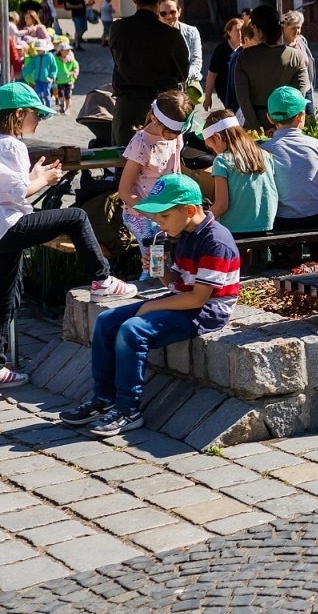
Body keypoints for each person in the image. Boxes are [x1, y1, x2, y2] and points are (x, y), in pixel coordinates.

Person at [0, 84, 138, 392]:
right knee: (76, 217)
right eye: (36, 115)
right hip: (6, 226)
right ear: (19, 114)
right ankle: (102, 280)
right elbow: (20, 193)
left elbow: (10, 188)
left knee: (8, 296)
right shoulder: (10, 144)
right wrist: (42, 179)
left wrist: (36, 175)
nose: (39, 121)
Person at [65, 174, 242, 438]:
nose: (158, 223)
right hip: (184, 301)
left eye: (164, 216)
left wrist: (150, 308)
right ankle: (103, 399)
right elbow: (176, 283)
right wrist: (159, 269)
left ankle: (128, 409)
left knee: (133, 330)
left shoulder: (215, 241)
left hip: (207, 311)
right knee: (107, 320)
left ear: (190, 210)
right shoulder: (184, 232)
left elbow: (198, 299)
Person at [109, 0, 191, 145]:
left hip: (127, 107)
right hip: (162, 109)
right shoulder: (171, 35)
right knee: (160, 165)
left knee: (124, 162)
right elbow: (184, 73)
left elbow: (116, 58)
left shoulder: (118, 28)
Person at [120, 89, 192, 275]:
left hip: (165, 212)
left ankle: (169, 289)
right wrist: (154, 216)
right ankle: (147, 291)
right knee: (155, 260)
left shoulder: (175, 136)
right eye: (170, 132)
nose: (175, 136)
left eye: (179, 131)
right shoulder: (141, 143)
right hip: (140, 213)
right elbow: (125, 191)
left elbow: (176, 173)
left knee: (169, 259)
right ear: (154, 119)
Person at [231, 4, 312, 131]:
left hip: (256, 123)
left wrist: (257, 129)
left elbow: (243, 99)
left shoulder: (245, 57)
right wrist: (282, 126)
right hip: (287, 124)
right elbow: (298, 97)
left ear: (258, 30)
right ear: (280, 29)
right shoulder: (296, 56)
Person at [259, 87, 318, 231]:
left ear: (270, 118)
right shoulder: (316, 145)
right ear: (301, 115)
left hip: (280, 218)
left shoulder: (264, 149)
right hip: (313, 215)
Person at [202, 109, 278, 235]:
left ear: (217, 137)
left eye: (211, 146)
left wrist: (199, 223)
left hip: (235, 228)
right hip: (266, 225)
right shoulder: (265, 155)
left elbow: (221, 206)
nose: (214, 152)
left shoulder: (221, 160)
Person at [158, 0, 203, 84]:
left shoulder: (192, 32)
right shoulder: (154, 35)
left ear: (179, 12)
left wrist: (182, 77)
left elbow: (196, 61)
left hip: (187, 83)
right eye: (163, 13)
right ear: (158, 15)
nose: (168, 16)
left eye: (172, 12)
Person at [203, 17, 242, 111]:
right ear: (229, 32)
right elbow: (212, 74)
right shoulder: (221, 50)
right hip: (226, 91)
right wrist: (208, 97)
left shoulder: (246, 48)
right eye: (237, 30)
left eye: (242, 30)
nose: (240, 33)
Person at [281, 9, 316, 109]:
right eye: (293, 28)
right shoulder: (280, 45)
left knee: (310, 119)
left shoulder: (301, 40)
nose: (297, 31)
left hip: (306, 88)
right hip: (289, 91)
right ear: (284, 27)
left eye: (299, 27)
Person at [20, 39, 58, 108]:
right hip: (38, 80)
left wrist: (51, 77)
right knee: (37, 95)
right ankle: (40, 109)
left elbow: (54, 68)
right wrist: (23, 74)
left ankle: (48, 111)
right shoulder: (36, 58)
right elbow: (30, 67)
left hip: (47, 81)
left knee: (47, 95)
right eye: (37, 50)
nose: (38, 51)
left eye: (39, 49)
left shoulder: (50, 56)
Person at [54, 38, 79, 113]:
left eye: (68, 49)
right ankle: (62, 105)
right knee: (61, 94)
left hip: (69, 80)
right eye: (66, 50)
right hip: (59, 80)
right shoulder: (55, 59)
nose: (68, 51)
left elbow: (76, 66)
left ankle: (67, 108)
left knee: (67, 95)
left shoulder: (71, 59)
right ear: (60, 51)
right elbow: (52, 67)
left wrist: (75, 73)